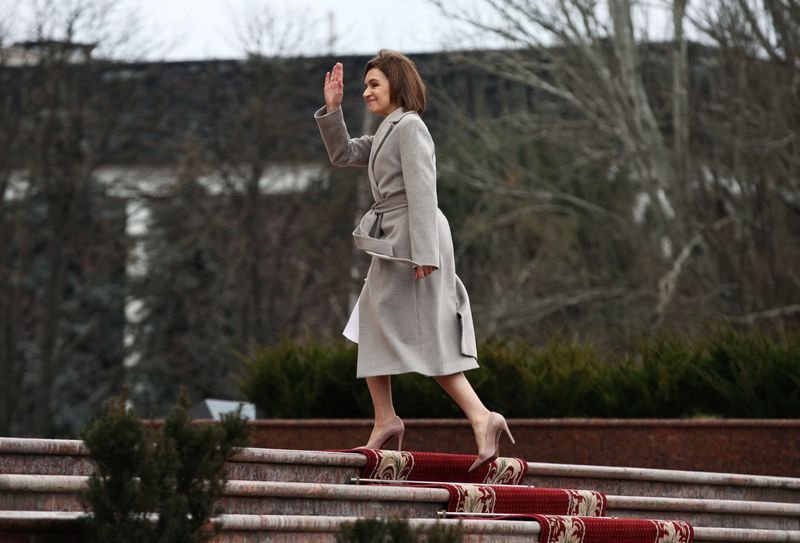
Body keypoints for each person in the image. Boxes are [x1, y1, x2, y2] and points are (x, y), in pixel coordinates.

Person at [314, 50, 514, 471]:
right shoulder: (389, 129)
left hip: (414, 242)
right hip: (395, 242)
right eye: (365, 85)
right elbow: (344, 154)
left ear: (397, 87)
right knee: (372, 322)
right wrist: (332, 110)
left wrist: (424, 253)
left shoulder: (410, 127)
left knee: (430, 337)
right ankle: (387, 418)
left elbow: (424, 190)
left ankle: (481, 417)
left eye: (374, 84)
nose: (366, 91)